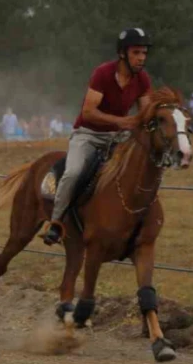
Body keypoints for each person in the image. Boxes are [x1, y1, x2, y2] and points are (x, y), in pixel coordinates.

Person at [43, 28, 153, 246]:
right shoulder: (102, 73)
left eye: (144, 53)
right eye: (136, 52)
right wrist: (121, 122)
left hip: (119, 137)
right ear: (123, 53)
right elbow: (88, 112)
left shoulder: (142, 79)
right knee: (73, 173)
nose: (141, 58)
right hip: (88, 134)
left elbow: (146, 113)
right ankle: (56, 223)